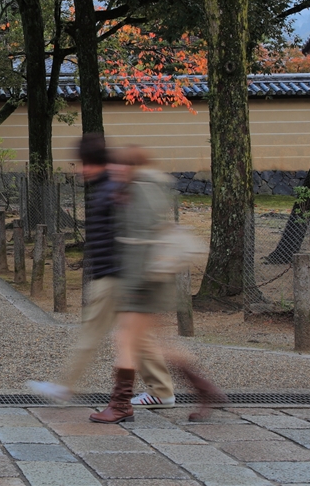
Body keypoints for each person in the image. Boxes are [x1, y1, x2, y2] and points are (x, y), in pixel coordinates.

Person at [28, 133, 175, 409]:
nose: (81, 170)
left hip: (113, 275)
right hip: (121, 274)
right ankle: (162, 390)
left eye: (84, 164)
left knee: (92, 332)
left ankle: (65, 387)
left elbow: (127, 233)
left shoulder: (112, 189)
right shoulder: (112, 187)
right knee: (139, 337)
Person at [89, 146, 226, 424]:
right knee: (158, 344)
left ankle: (120, 405)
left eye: (118, 165)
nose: (113, 170)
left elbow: (141, 243)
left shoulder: (140, 192)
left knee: (126, 340)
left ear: (131, 167)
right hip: (144, 280)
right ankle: (204, 389)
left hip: (143, 282)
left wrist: (132, 288)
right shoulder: (139, 188)